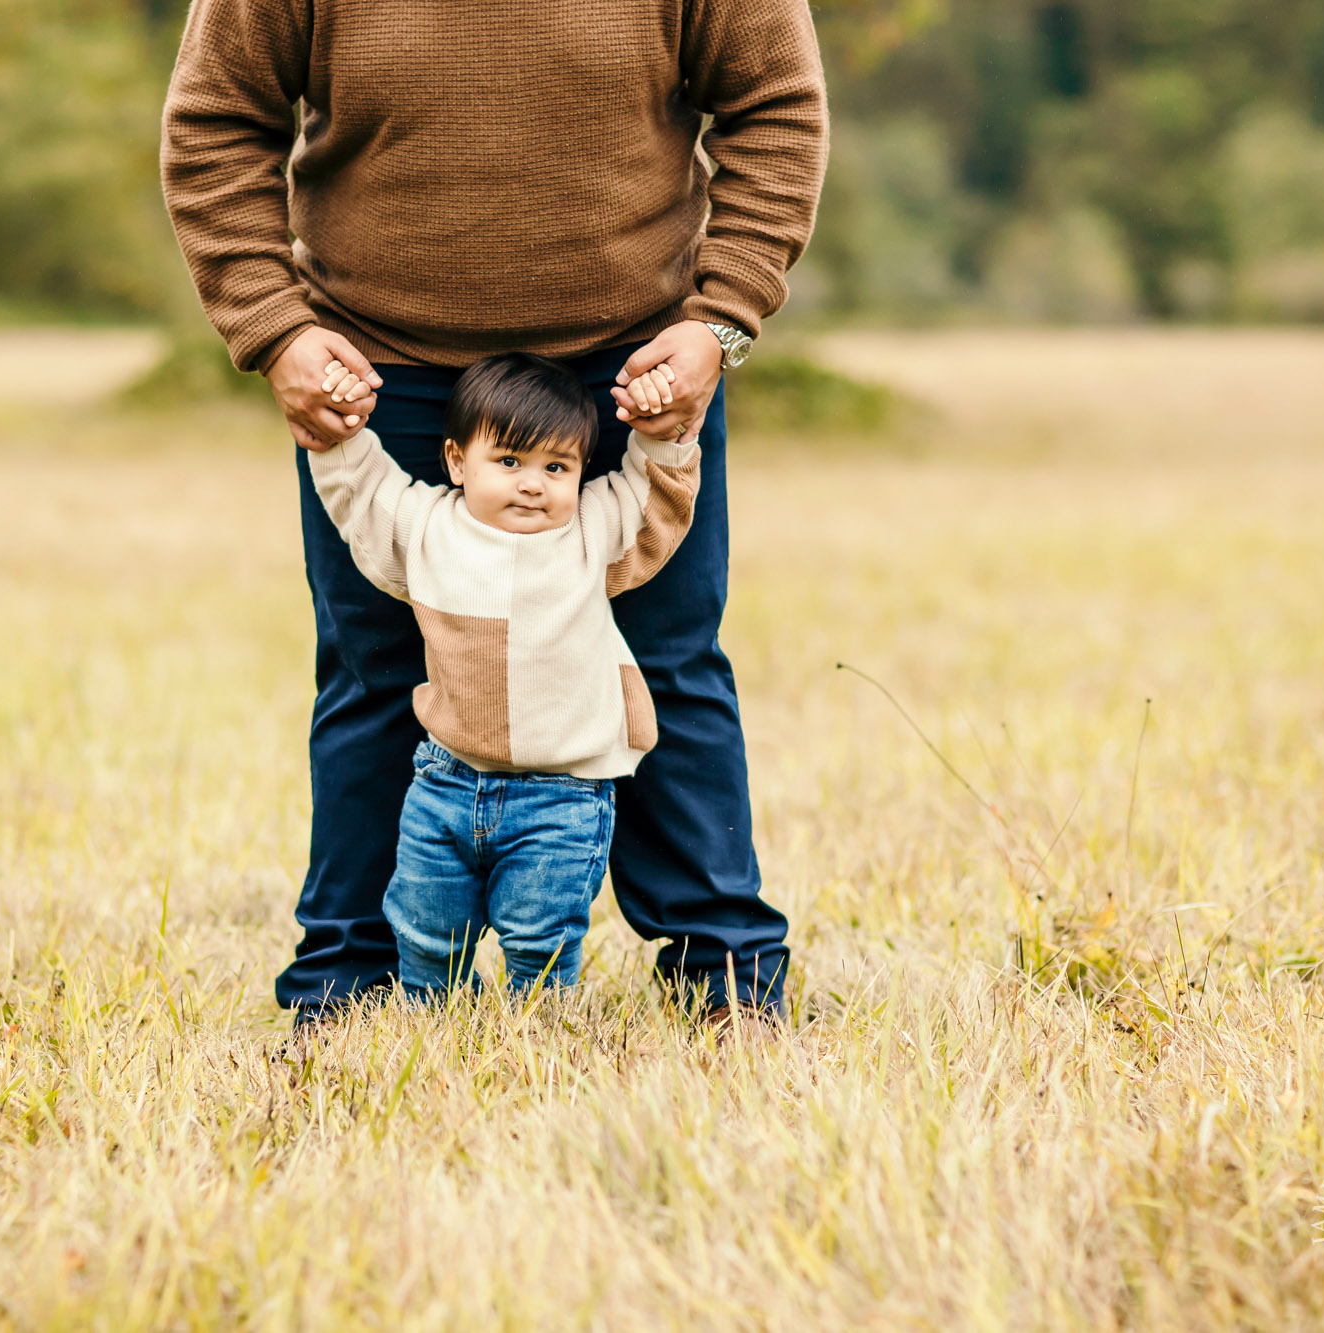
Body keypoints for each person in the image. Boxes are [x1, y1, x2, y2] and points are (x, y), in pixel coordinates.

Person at [160, 0, 829, 1028]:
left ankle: (725, 976)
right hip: (376, 361)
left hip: (636, 364)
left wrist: (720, 318)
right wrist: (271, 324)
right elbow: (216, 119)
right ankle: (352, 981)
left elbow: (775, 108)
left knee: (665, 662)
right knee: (380, 669)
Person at [307, 352, 698, 997]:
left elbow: (652, 498)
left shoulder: (589, 531)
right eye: (509, 462)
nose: (533, 484)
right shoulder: (426, 526)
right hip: (446, 782)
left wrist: (662, 434)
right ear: (458, 462)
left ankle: (537, 1040)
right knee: (425, 930)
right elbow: (362, 494)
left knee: (541, 937)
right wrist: (340, 428)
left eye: (557, 467)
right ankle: (436, 1033)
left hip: (564, 795)